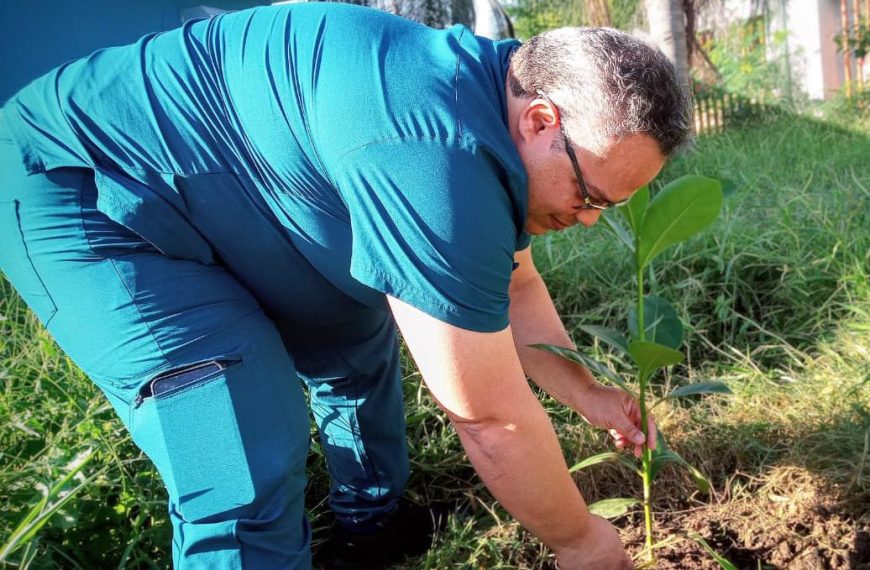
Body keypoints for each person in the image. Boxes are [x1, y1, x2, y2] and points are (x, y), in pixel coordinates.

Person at [0, 3, 690, 569]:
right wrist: (582, 542)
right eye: (591, 192)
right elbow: (491, 421)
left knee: (351, 331)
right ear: (541, 120)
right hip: (84, 191)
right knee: (238, 434)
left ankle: (372, 530)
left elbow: (515, 287)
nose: (592, 219)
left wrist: (588, 390)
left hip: (236, 191)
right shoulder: (432, 156)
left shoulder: (482, 102)